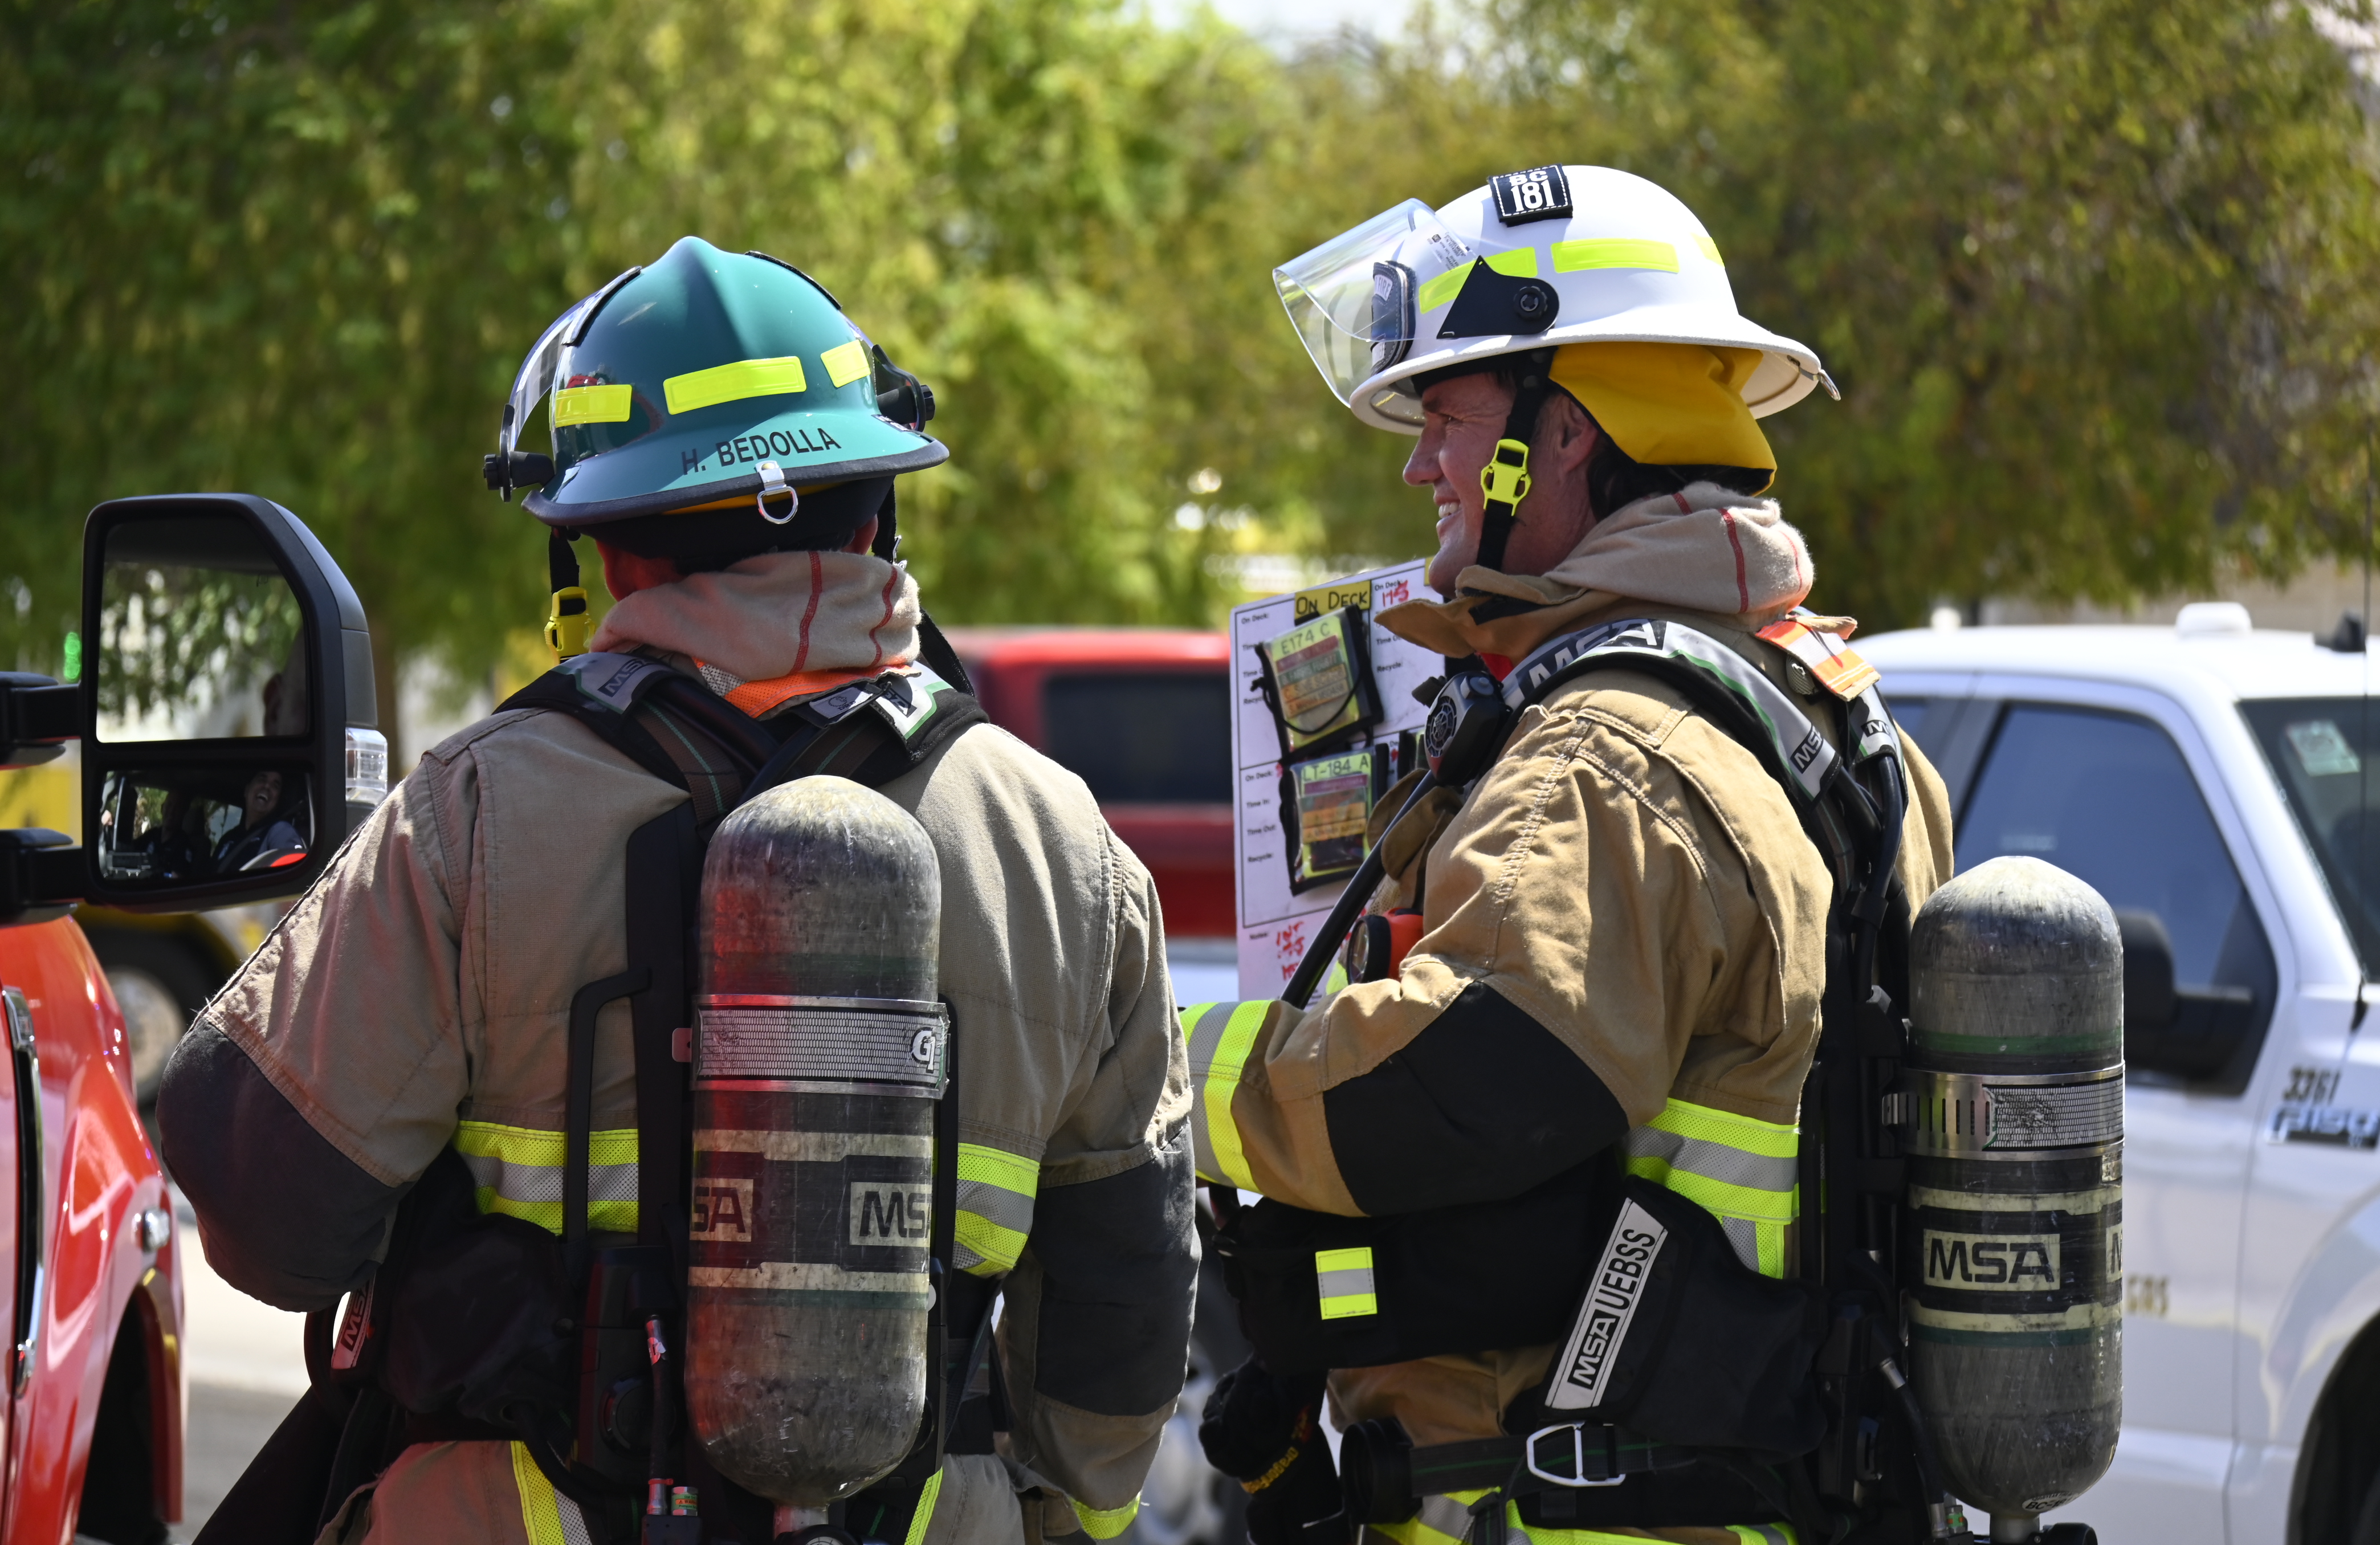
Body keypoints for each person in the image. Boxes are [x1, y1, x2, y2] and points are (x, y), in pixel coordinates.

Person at [159, 235, 1195, 1545]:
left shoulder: (470, 815)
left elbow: (269, 1219)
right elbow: (1125, 1312)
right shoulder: (1065, 848)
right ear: (875, 513)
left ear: (604, 553)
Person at [1187, 166, 1958, 1544]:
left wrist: (1176, 1077)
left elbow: (1461, 1085)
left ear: (1559, 434)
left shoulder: (1600, 759)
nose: (1421, 466)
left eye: (1446, 418)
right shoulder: (1846, 725)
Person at [210, 768, 307, 874]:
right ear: (247, 790)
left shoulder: (281, 831)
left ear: (277, 800)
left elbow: (294, 874)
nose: (267, 787)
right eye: (262, 780)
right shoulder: (227, 839)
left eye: (275, 786)